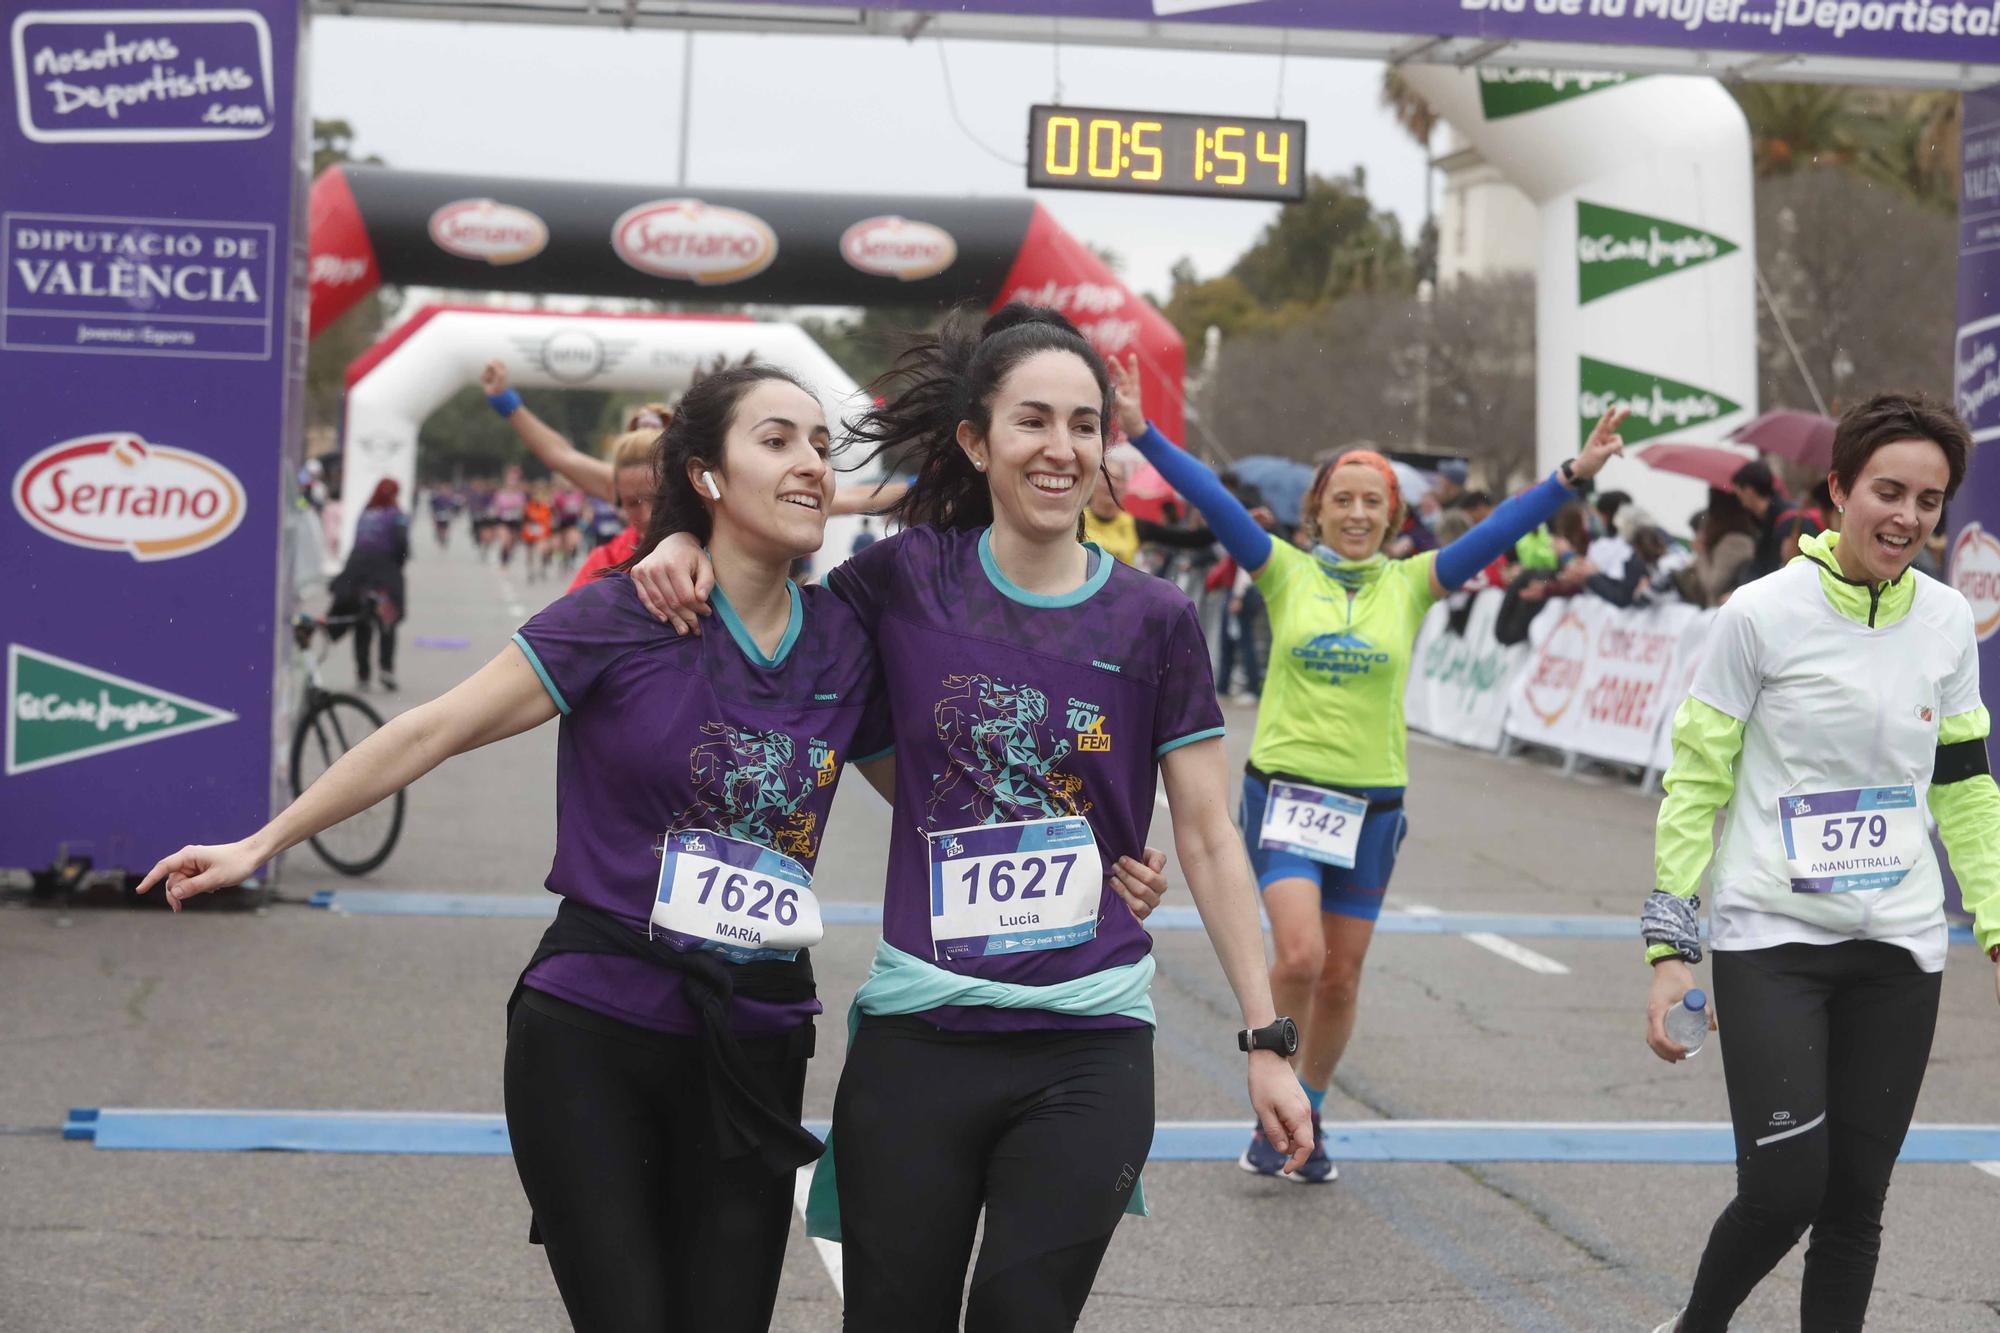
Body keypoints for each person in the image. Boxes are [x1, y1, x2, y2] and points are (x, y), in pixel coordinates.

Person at [632, 304, 1313, 1331]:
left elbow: (1210, 835)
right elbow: (769, 590)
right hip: (921, 1038)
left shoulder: (1155, 621)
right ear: (974, 440)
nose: (1060, 448)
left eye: (1082, 425)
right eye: (1031, 421)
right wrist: (683, 530)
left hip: (1089, 1044)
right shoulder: (904, 582)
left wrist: (1266, 1037)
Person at [1115, 359, 1628, 1182]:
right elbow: (1210, 498)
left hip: (1374, 805)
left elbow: (1497, 532)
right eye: (1342, 499)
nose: (1356, 513)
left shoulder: (1413, 583)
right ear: (1315, 511)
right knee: (1301, 956)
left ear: (1392, 517)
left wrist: (1572, 475)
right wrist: (1142, 431)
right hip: (1284, 791)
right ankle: (1274, 1081)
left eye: (1372, 502)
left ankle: (1306, 1108)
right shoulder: (1283, 569)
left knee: (1344, 979)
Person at [1643, 393, 2000, 1333]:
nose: (1907, 518)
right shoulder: (1758, 615)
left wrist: (1997, 917)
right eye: (1888, 490)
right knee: (1784, 1189)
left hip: (1900, 948)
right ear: (1838, 487)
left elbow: (1965, 783)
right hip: (1776, 940)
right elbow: (1697, 783)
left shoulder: (1947, 620)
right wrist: (1671, 946)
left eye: (1930, 502)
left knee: (1855, 1204)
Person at [328, 478, 410, 691]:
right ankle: (386, 668)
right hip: (383, 574)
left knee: (361, 622)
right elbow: (402, 545)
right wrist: (396, 567)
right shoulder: (396, 515)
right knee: (386, 620)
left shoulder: (366, 512)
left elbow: (357, 542)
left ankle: (363, 672)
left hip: (357, 574)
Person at [1732, 458, 1819, 582]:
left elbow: (1770, 572)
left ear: (1749, 491)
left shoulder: (1788, 523)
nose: (1739, 498)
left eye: (1739, 491)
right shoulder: (1769, 519)